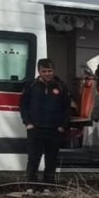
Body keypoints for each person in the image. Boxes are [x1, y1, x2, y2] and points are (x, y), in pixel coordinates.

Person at [19, 59, 72, 189]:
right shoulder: (31, 85)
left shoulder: (61, 86)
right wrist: (28, 123)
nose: (48, 74)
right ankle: (31, 186)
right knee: (33, 160)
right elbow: (23, 105)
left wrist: (62, 126)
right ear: (39, 71)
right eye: (44, 71)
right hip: (35, 129)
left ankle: (48, 187)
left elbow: (67, 108)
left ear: (54, 71)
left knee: (51, 160)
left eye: (50, 71)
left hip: (54, 130)